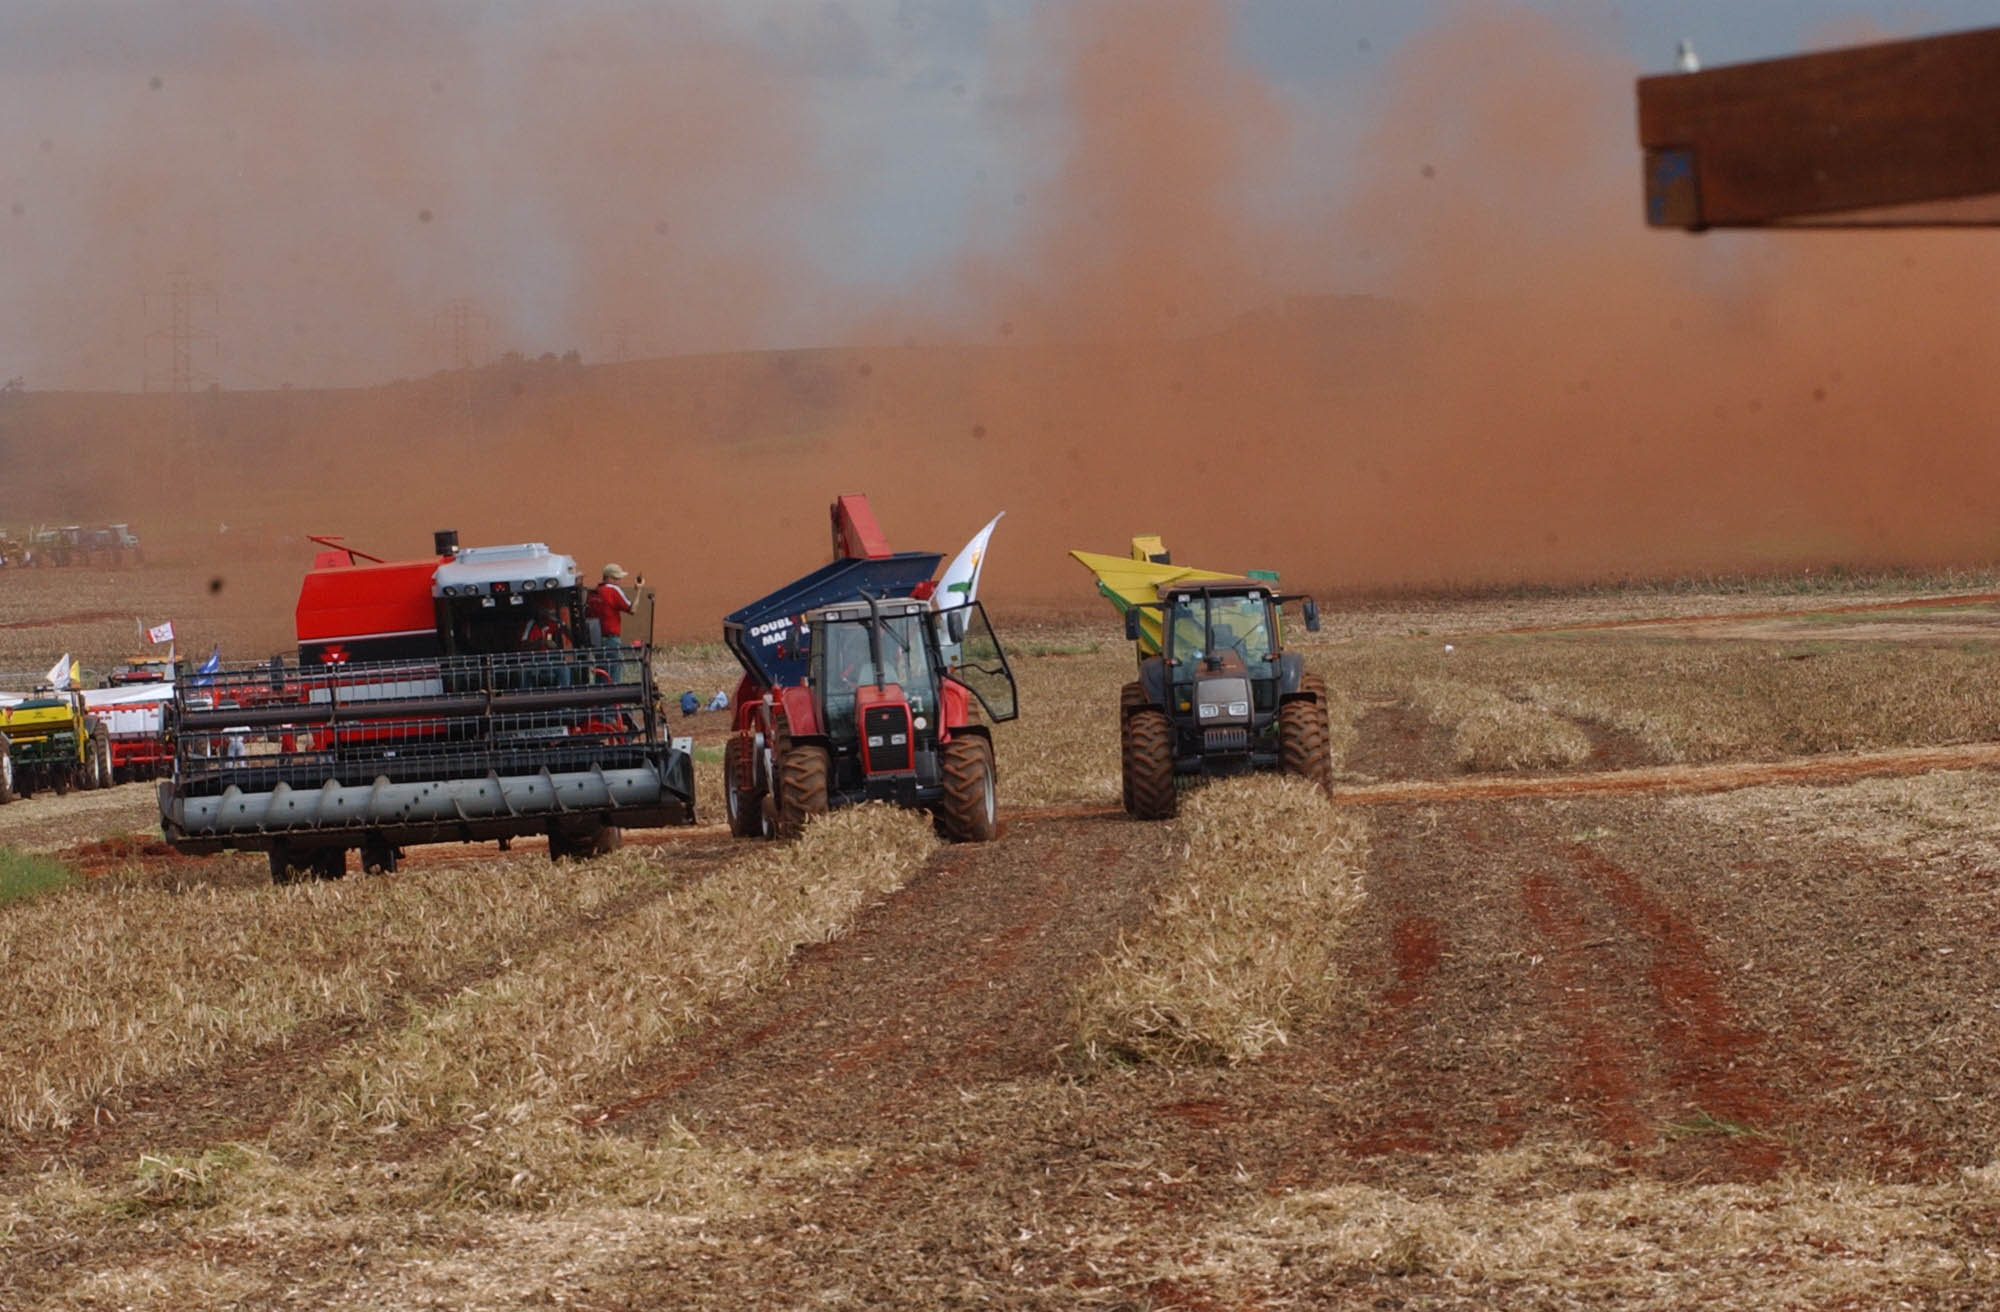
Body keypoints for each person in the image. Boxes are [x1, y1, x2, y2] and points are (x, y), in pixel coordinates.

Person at [586, 563, 637, 680]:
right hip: (611, 639)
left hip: (596, 640)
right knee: (614, 672)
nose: (620, 581)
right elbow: (632, 609)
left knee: (601, 672)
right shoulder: (613, 590)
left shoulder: (593, 593)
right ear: (609, 578)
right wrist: (638, 591)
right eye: (617, 578)